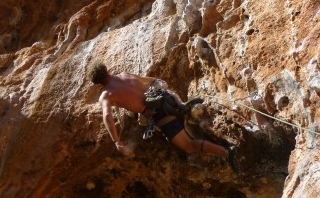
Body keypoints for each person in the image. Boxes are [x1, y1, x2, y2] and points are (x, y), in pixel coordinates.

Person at [89, 63, 238, 173]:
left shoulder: (106, 95)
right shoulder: (124, 74)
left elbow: (107, 115)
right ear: (107, 70)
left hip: (158, 113)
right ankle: (182, 107)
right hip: (166, 97)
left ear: (98, 85)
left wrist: (116, 140)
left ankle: (227, 151)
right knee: (175, 112)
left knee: (189, 146)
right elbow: (149, 80)